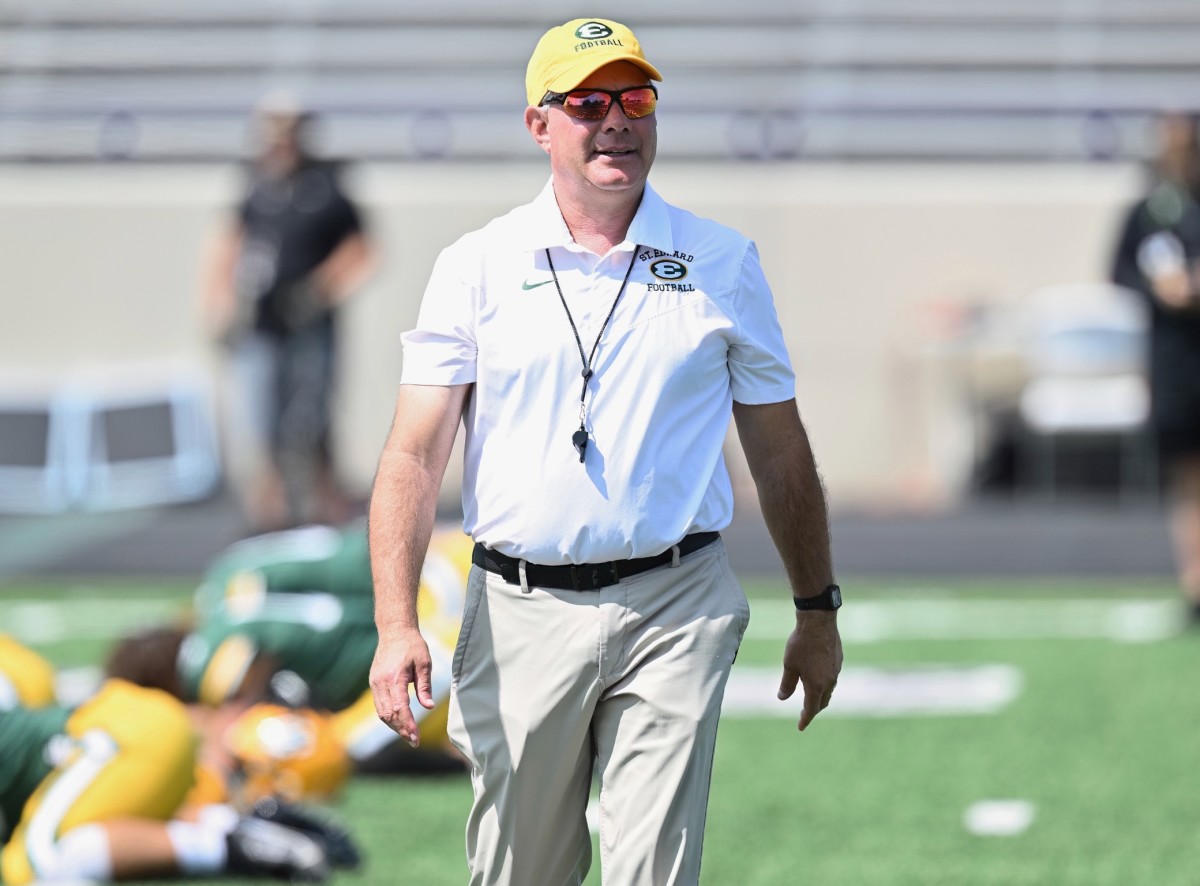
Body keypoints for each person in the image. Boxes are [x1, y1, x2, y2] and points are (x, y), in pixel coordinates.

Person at [367, 17, 843, 884]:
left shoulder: (723, 261)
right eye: (587, 101)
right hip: (519, 607)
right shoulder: (474, 264)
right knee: (521, 871)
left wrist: (818, 609)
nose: (616, 119)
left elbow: (781, 454)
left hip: (677, 600)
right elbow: (412, 457)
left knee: (652, 870)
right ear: (539, 125)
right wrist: (396, 622)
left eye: (636, 97)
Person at [106, 522, 471, 773]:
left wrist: (215, 730)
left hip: (434, 644)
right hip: (445, 559)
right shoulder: (225, 572)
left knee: (332, 745)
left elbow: (241, 682)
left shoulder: (207, 656)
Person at [202, 95, 377, 533]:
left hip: (308, 323)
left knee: (311, 417)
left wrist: (319, 291)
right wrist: (219, 305)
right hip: (261, 323)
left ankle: (323, 511)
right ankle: (268, 520)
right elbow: (230, 242)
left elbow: (361, 249)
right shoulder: (256, 184)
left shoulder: (327, 185)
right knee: (261, 420)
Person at [0, 677, 356, 884]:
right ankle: (234, 831)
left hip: (122, 733)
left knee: (38, 867)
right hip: (138, 726)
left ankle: (232, 843)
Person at [1111, 111, 1200, 624]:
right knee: (1186, 474)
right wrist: (1160, 288)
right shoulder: (1148, 211)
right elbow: (1120, 271)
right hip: (1172, 356)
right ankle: (1194, 585)